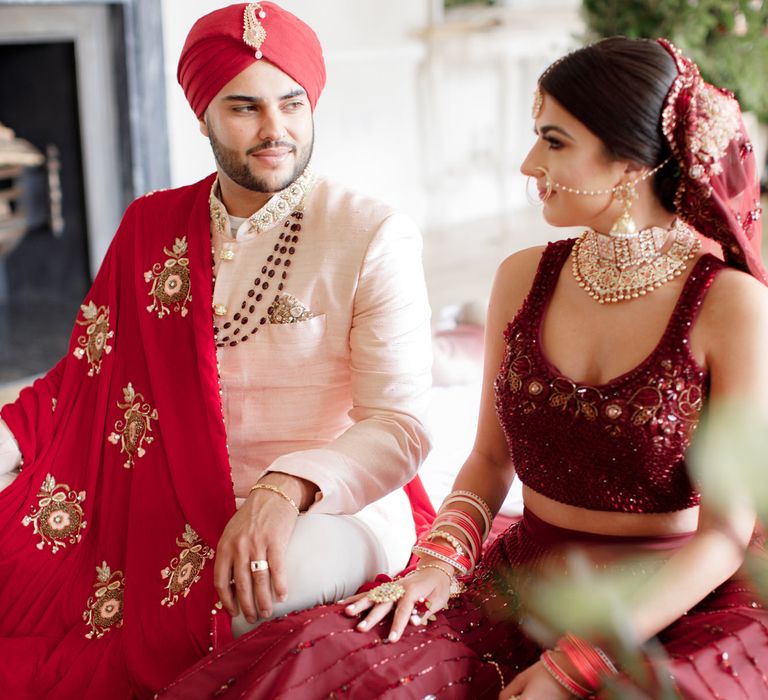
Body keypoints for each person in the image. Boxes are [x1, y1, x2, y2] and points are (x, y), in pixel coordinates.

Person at [159, 37, 768, 699]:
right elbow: (486, 461)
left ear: (629, 165)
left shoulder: (729, 306)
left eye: (554, 142)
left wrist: (578, 667)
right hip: (522, 580)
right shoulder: (525, 277)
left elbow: (726, 536)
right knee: (333, 662)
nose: (528, 163)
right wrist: (439, 564)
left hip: (672, 604)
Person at [0, 3, 435, 698]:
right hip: (166, 492)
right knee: (32, 574)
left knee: (237, 605)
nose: (275, 131)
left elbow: (401, 425)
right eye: (245, 108)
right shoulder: (151, 224)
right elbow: (85, 376)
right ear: (202, 116)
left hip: (331, 498)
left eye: (293, 104)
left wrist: (285, 488)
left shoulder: (371, 233)